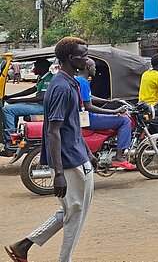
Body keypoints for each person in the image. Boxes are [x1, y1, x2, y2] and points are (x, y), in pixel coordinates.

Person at [5, 36, 97, 262]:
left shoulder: (71, 82)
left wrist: (88, 152)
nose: (87, 59)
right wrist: (58, 174)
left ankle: (23, 246)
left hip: (78, 155)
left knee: (73, 209)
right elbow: (52, 131)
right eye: (83, 55)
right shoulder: (61, 87)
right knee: (75, 214)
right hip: (68, 160)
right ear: (70, 58)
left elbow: (72, 125)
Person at [76, 58, 136, 170]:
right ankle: (119, 157)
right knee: (124, 120)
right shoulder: (83, 82)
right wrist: (114, 111)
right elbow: (88, 106)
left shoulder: (78, 80)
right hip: (88, 119)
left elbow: (88, 98)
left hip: (80, 118)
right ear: (88, 67)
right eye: (94, 67)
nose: (95, 69)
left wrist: (108, 101)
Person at [2, 58, 53, 149]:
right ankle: (15, 135)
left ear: (43, 67)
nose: (34, 69)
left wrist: (16, 100)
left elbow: (40, 98)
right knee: (12, 108)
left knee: (7, 110)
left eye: (36, 66)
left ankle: (11, 140)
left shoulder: (48, 78)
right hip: (39, 105)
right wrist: (11, 96)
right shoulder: (41, 77)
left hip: (43, 107)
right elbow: (31, 90)